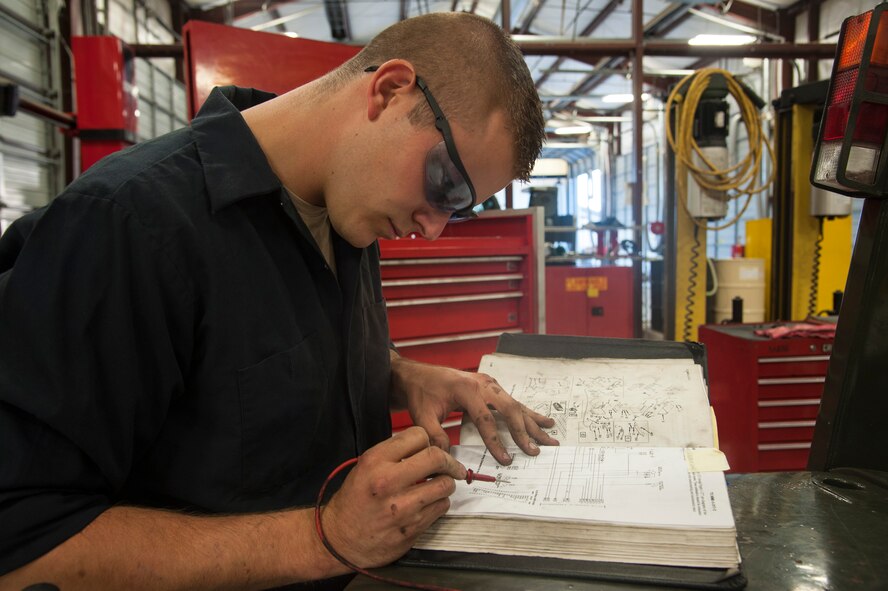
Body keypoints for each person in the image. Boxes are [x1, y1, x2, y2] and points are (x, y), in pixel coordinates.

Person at [0, 11, 553, 590]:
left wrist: (399, 374)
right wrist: (326, 537)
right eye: (446, 184)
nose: (433, 228)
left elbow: (263, 361)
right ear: (390, 91)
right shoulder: (125, 228)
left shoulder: (344, 208)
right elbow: (22, 548)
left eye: (459, 209)